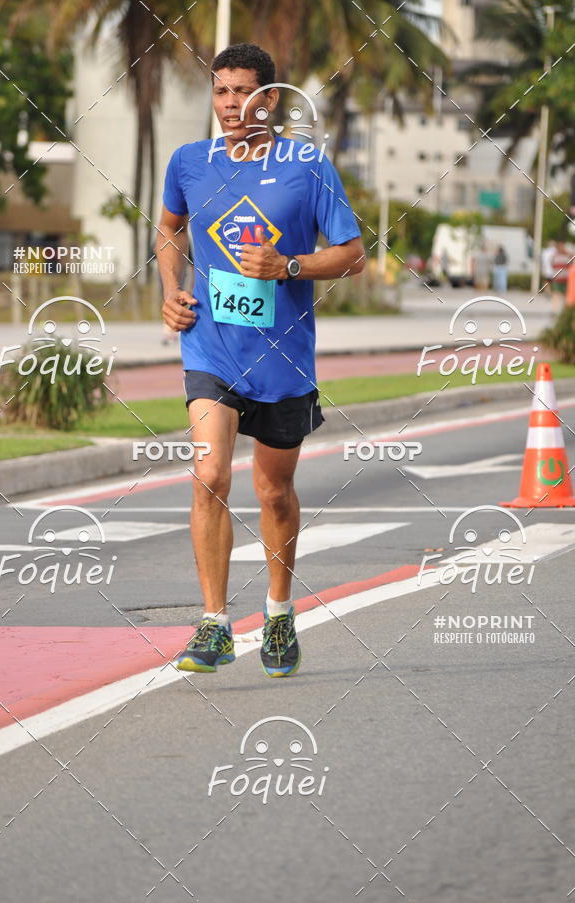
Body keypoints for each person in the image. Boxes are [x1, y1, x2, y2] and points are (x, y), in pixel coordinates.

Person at [156, 43, 365, 677]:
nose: (228, 105)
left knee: (273, 491)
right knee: (210, 473)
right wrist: (171, 291)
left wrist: (290, 266)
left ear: (268, 100)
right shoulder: (190, 162)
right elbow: (169, 228)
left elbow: (353, 252)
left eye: (241, 93)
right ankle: (215, 624)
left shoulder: (307, 166)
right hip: (211, 347)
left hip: (283, 359)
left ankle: (278, 613)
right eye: (219, 92)